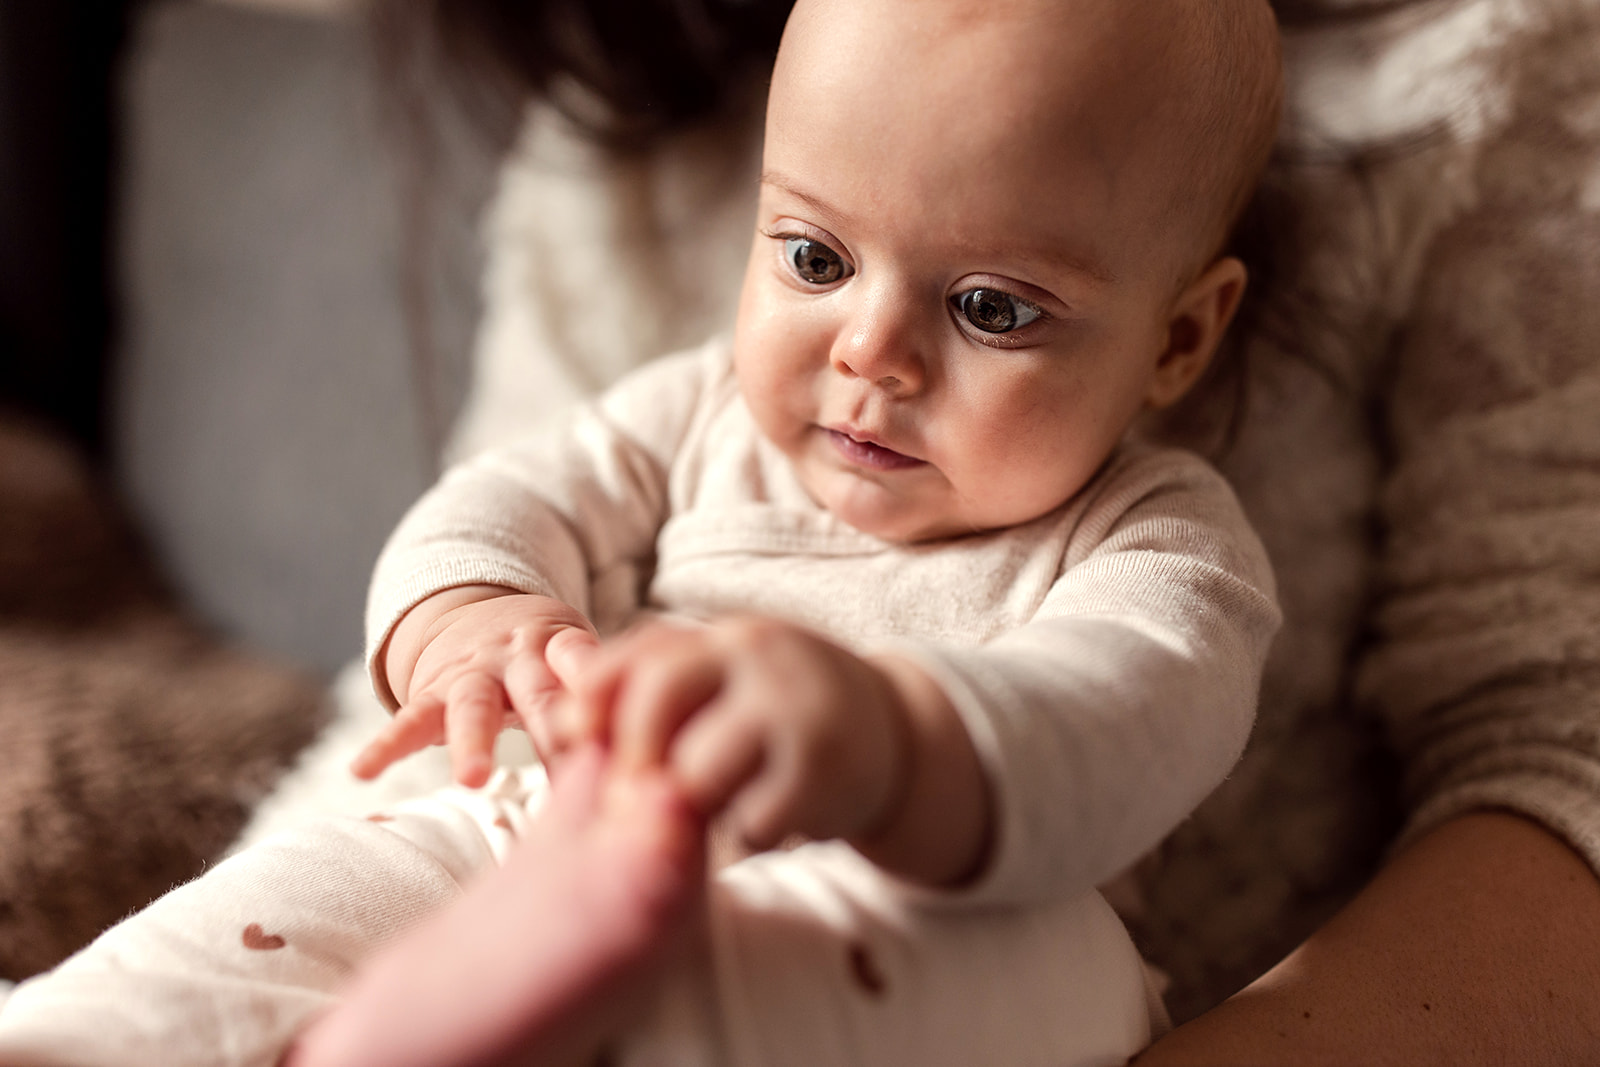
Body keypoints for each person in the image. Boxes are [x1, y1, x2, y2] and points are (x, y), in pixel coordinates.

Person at [0, 1, 1286, 1065]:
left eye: (994, 308)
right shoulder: (696, 414)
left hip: (926, 904)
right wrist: (476, 616)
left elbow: (1132, 720)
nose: (870, 354)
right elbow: (507, 499)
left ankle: (468, 1030)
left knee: (1046, 975)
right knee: (300, 896)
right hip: (556, 825)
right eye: (816, 258)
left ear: (1178, 338)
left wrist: (890, 744)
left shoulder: (1161, 543)